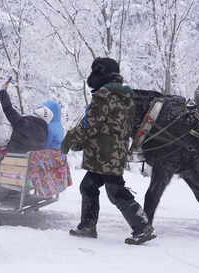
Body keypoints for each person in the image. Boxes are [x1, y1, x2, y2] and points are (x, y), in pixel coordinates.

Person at [61, 57, 156, 245]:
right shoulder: (125, 97)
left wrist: (70, 140)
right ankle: (87, 226)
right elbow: (111, 125)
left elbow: (90, 125)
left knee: (115, 191)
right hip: (111, 152)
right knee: (88, 186)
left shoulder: (105, 96)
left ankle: (142, 227)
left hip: (105, 155)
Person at [0, 89, 50, 153]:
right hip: (23, 160)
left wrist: (2, 93)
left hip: (9, 155)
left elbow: (9, 110)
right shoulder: (44, 135)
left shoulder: (27, 125)